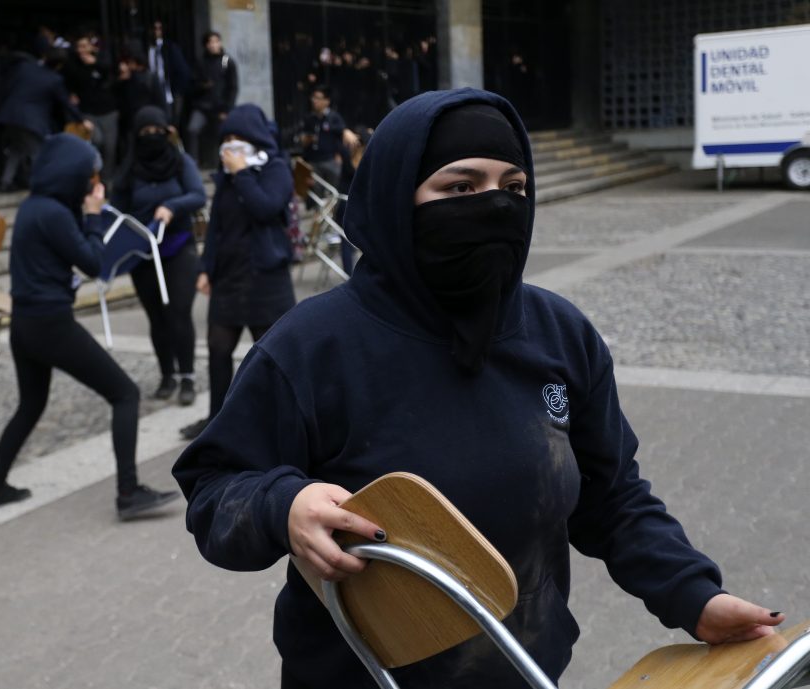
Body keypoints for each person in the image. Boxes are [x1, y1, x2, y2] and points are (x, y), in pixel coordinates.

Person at [171, 89, 784, 688]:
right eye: (459, 188)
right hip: (357, 673)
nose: (494, 207)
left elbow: (612, 497)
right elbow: (215, 489)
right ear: (394, 198)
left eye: (513, 188)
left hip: (523, 667)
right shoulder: (310, 347)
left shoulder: (560, 335)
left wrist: (694, 595)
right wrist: (284, 507)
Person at [0, 133, 178, 520]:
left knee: (31, 404)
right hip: (49, 323)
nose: (94, 184)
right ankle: (128, 492)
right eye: (90, 177)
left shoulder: (35, 207)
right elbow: (92, 263)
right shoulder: (52, 213)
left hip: (26, 323)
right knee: (125, 394)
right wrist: (93, 214)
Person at [178, 104, 296, 441]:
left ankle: (281, 420)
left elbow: (265, 208)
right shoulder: (226, 178)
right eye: (227, 138)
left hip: (265, 279)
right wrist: (206, 269)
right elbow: (216, 228)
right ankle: (217, 421)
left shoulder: (275, 169)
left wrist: (243, 173)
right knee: (218, 348)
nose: (231, 145)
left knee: (274, 353)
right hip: (229, 278)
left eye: (239, 137)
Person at [111, 106, 206, 405]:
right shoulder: (128, 169)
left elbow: (198, 194)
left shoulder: (181, 161)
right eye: (145, 133)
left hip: (178, 245)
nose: (152, 137)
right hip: (142, 251)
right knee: (157, 317)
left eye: (157, 132)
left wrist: (172, 207)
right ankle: (168, 373)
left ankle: (188, 375)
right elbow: (117, 208)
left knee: (178, 311)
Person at [0, 47, 88, 192]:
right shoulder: (54, 79)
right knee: (38, 154)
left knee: (16, 150)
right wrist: (81, 119)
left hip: (10, 115)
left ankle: (6, 181)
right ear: (59, 65)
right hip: (31, 121)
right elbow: (66, 102)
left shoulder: (25, 68)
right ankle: (42, 185)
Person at [64, 34, 119, 184]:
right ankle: (95, 178)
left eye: (84, 46)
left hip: (107, 110)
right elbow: (69, 87)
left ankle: (108, 181)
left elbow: (112, 75)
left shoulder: (103, 60)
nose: (82, 50)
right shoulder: (73, 65)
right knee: (96, 140)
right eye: (79, 47)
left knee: (110, 147)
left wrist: (94, 64)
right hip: (88, 111)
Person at [185, 31, 238, 165]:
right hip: (203, 106)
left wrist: (226, 109)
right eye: (210, 42)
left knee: (224, 135)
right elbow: (192, 84)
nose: (214, 45)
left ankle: (224, 165)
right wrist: (203, 86)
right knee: (192, 129)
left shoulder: (226, 61)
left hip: (220, 108)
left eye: (216, 41)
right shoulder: (200, 62)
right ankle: (193, 164)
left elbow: (232, 87)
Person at [299, 85, 347, 188]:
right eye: (313, 98)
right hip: (313, 161)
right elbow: (303, 139)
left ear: (327, 101)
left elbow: (342, 135)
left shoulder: (333, 117)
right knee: (315, 193)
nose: (314, 101)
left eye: (318, 98)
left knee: (333, 192)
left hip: (331, 161)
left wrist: (339, 155)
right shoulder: (309, 118)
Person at [147, 19, 191, 125]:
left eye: (159, 29)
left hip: (169, 90)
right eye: (154, 29)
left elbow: (182, 70)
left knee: (171, 121)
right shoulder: (148, 49)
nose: (156, 32)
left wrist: (177, 90)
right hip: (152, 90)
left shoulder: (170, 47)